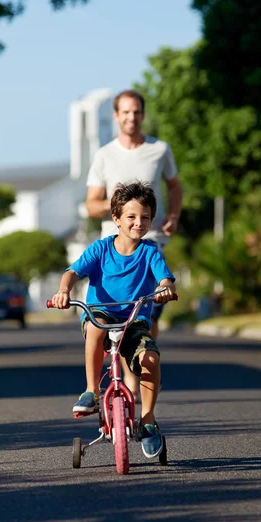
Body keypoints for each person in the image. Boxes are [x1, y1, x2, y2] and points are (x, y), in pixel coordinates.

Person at [52, 181, 176, 458]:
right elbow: (72, 273)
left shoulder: (150, 252)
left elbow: (165, 277)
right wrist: (64, 291)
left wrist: (165, 288)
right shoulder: (100, 249)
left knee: (150, 358)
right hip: (101, 312)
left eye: (145, 217)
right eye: (131, 217)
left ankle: (147, 420)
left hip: (134, 318)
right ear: (116, 218)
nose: (138, 223)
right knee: (95, 329)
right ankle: (91, 391)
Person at [85, 89, 182, 397]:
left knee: (147, 313)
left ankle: (140, 365)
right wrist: (114, 203)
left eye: (136, 112)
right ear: (116, 116)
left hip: (151, 241)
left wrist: (175, 215)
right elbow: (91, 205)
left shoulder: (160, 149)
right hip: (115, 248)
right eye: (125, 112)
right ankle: (122, 380)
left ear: (143, 114)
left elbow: (175, 185)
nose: (131, 117)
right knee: (111, 315)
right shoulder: (104, 155)